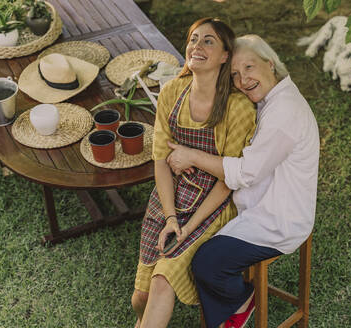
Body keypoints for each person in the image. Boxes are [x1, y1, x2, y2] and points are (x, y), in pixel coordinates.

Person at [166, 34, 320, 328]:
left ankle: (239, 304)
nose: (243, 79)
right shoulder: (272, 98)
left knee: (207, 263)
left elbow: (247, 172)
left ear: (270, 64)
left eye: (249, 67)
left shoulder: (285, 111)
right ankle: (232, 306)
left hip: (280, 218)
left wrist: (193, 156)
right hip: (260, 202)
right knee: (202, 239)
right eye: (235, 74)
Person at [130, 18, 256, 328]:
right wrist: (171, 218)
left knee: (162, 281)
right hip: (169, 197)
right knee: (141, 298)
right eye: (193, 39)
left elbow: (228, 181)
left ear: (225, 55)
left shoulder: (237, 109)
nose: (197, 46)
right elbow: (161, 160)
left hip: (212, 207)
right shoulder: (172, 91)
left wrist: (187, 228)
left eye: (208, 41)